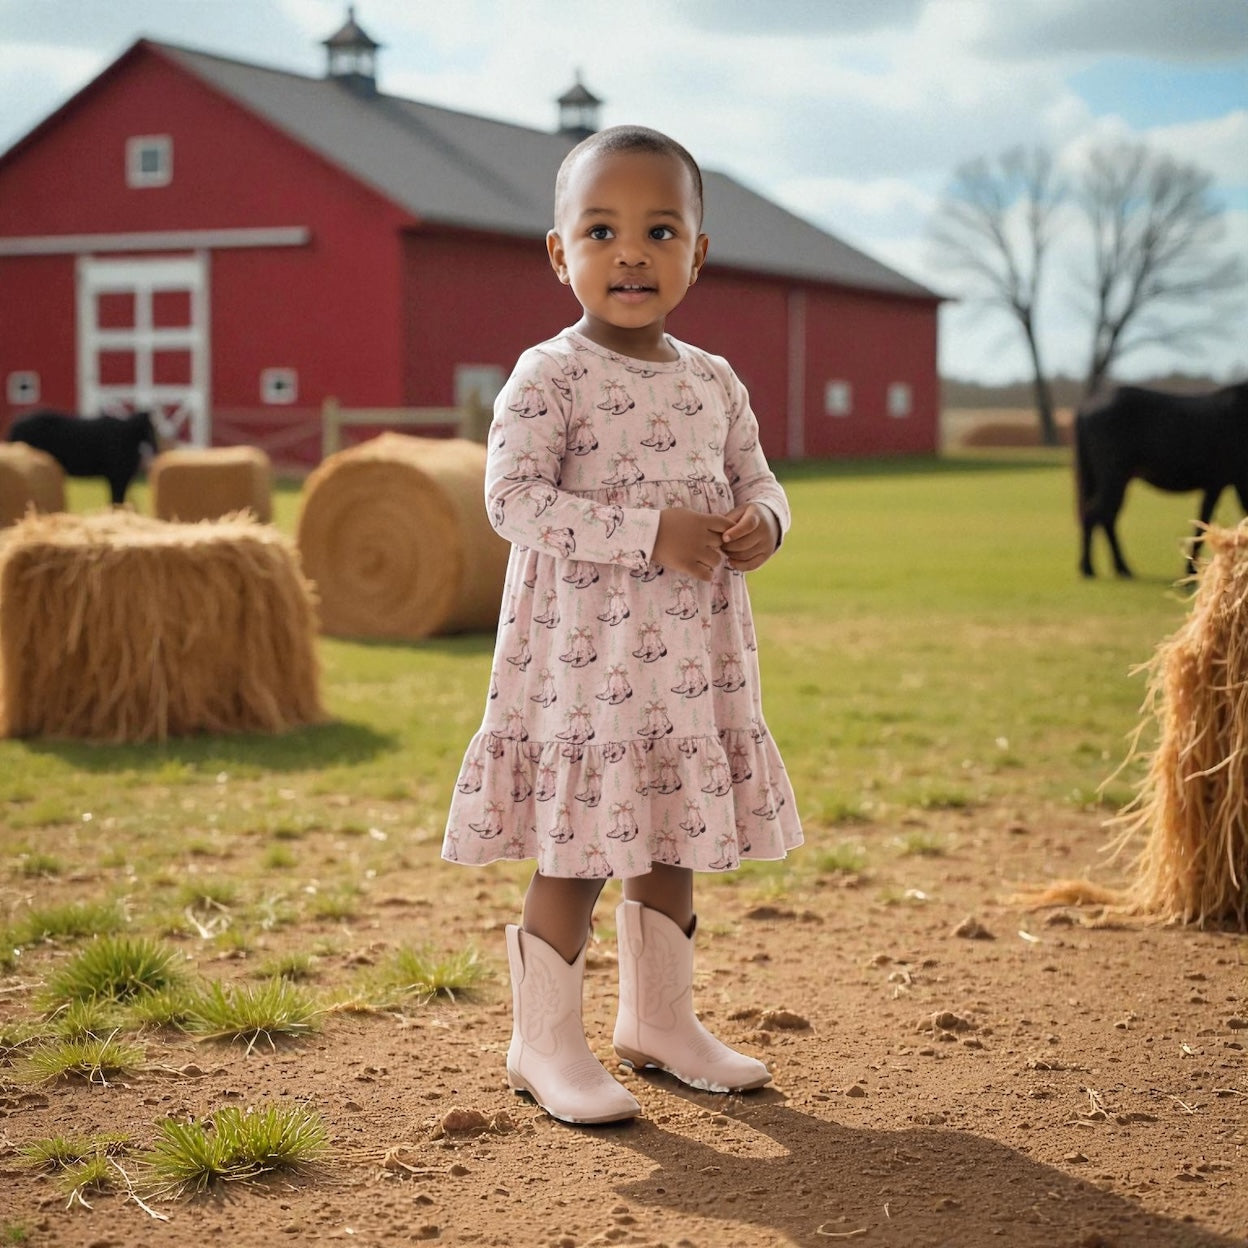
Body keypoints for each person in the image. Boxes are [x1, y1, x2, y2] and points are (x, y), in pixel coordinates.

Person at [443, 124, 802, 1124]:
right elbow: (512, 501)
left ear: (698, 252)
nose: (631, 252)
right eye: (601, 231)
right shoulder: (548, 374)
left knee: (672, 834)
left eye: (660, 231)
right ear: (560, 254)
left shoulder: (713, 379)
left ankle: (659, 1022)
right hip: (583, 667)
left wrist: (765, 523)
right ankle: (544, 1043)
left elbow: (760, 479)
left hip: (691, 660)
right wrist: (650, 533)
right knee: (578, 851)